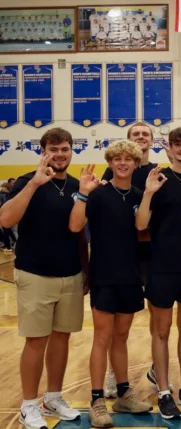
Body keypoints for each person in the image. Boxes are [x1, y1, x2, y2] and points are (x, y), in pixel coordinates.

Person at [0, 128, 87, 429]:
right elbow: (6, 219)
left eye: (65, 148)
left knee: (62, 339)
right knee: (36, 341)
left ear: (71, 151)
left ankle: (53, 397)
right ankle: (27, 405)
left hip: (70, 274)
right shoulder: (28, 181)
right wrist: (34, 185)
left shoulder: (77, 186)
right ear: (43, 151)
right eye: (54, 149)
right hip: (35, 273)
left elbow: (79, 235)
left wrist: (85, 272)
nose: (60, 154)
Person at [69, 142, 153, 427]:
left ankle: (124, 393)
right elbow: (75, 226)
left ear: (136, 163)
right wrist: (82, 193)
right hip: (104, 275)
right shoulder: (98, 194)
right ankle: (96, 401)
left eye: (128, 159)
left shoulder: (141, 196)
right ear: (110, 162)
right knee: (102, 338)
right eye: (117, 158)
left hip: (130, 276)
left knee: (121, 337)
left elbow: (142, 228)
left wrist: (150, 194)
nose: (122, 163)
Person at [135, 127, 181, 420]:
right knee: (161, 330)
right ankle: (164, 391)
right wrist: (149, 194)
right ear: (170, 146)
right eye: (177, 144)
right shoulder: (156, 178)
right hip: (162, 265)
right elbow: (141, 225)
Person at [102, 122, 174, 397]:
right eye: (136, 135)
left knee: (159, 315)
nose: (141, 138)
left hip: (153, 253)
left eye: (145, 134)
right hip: (122, 254)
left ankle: (158, 367)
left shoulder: (159, 172)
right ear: (128, 140)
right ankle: (113, 373)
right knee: (119, 322)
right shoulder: (114, 171)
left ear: (152, 140)